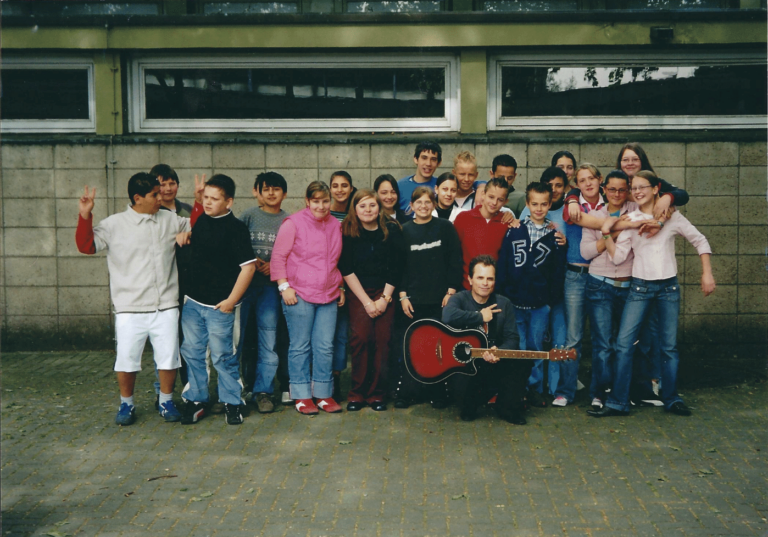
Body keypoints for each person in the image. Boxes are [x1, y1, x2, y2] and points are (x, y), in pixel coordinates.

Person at [588, 171, 716, 417]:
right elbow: (618, 257)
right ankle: (618, 402)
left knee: (668, 347)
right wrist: (607, 233)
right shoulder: (631, 218)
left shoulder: (671, 216)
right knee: (624, 344)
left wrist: (707, 273)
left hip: (668, 288)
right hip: (639, 289)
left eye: (641, 187)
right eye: (633, 188)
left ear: (656, 188)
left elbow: (700, 241)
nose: (636, 192)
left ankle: (671, 398)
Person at [76, 173, 191, 425]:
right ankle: (126, 405)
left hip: (166, 305)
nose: (161, 197)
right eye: (154, 194)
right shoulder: (114, 224)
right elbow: (87, 246)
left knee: (169, 357)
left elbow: (200, 228)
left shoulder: (170, 219)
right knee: (127, 359)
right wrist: (85, 215)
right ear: (137, 198)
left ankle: (166, 400)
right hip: (130, 308)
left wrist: (201, 204)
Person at [179, 174, 257, 426]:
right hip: (193, 303)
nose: (207, 202)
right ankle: (197, 399)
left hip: (221, 306)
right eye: (205, 197)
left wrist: (231, 301)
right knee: (193, 353)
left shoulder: (236, 230)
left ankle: (233, 402)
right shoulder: (202, 219)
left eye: (214, 198)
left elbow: (249, 268)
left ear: (229, 202)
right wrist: (185, 237)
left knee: (224, 356)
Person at [271, 181, 345, 415]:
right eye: (316, 201)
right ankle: (302, 396)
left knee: (324, 347)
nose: (321, 206)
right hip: (299, 294)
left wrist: (340, 286)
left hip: (329, 294)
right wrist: (284, 287)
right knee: (300, 346)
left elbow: (336, 259)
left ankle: (323, 393)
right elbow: (278, 256)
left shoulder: (335, 224)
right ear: (307, 201)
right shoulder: (293, 223)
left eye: (325, 201)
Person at [498, 182, 567, 407]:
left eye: (544, 204)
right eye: (534, 204)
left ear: (550, 204)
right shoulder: (515, 230)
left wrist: (549, 301)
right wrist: (503, 295)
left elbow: (558, 272)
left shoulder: (554, 235)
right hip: (515, 302)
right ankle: (518, 389)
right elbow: (505, 264)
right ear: (527, 204)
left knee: (536, 348)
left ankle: (535, 388)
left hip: (539, 305)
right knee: (518, 347)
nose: (539, 208)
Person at [395, 186, 463, 409]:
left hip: (440, 299)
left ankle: (438, 392)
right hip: (413, 301)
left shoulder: (445, 228)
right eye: (419, 202)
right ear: (411, 206)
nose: (423, 206)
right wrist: (403, 296)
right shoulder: (403, 231)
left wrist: (451, 291)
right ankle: (408, 392)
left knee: (438, 346)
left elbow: (455, 260)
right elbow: (400, 267)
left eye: (427, 202)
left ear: (433, 204)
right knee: (412, 346)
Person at [443, 255, 529, 425]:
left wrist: (499, 350)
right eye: (480, 278)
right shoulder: (459, 299)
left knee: (522, 363)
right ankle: (473, 403)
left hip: (493, 363)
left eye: (490, 279)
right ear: (470, 279)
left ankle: (506, 407)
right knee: (467, 411)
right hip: (467, 368)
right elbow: (447, 315)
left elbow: (513, 338)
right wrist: (479, 316)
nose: (485, 283)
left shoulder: (503, 304)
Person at [339, 189, 404, 411]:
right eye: (362, 206)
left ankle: (377, 394)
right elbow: (346, 269)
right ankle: (357, 393)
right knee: (360, 338)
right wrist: (367, 302)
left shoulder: (392, 230)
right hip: (359, 291)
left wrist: (384, 299)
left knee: (383, 340)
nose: (368, 210)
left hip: (386, 290)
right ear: (355, 210)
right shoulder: (347, 231)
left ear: (379, 208)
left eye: (372, 206)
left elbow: (397, 267)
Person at [237, 172, 290, 414]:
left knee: (268, 339)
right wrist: (252, 260)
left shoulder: (289, 221)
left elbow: (295, 254)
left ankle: (264, 391)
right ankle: (242, 387)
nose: (271, 193)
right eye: (266, 189)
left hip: (271, 289)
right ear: (257, 191)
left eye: (276, 189)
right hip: (246, 287)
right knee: (243, 339)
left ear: (285, 193)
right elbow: (236, 244)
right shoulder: (248, 216)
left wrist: (276, 267)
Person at [328, 171, 356, 399]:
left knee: (342, 334)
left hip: (351, 283)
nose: (339, 189)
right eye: (335, 185)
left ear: (351, 188)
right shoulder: (324, 214)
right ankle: (324, 378)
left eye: (344, 185)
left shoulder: (356, 214)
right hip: (328, 282)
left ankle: (337, 376)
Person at [453, 178, 511, 289]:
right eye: (491, 197)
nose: (494, 203)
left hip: (493, 288)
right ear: (483, 194)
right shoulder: (463, 219)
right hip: (466, 287)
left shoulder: (506, 223)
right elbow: (454, 254)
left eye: (500, 199)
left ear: (505, 202)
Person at [398, 142, 442, 215]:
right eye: (424, 158)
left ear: (439, 163)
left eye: (433, 159)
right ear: (416, 159)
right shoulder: (400, 186)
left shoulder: (441, 187)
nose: (428, 163)